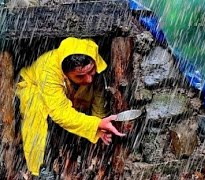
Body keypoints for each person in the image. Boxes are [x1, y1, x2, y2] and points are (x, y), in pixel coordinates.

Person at [16, 37, 125, 176]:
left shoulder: (92, 71)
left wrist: (100, 125)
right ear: (65, 73)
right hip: (35, 87)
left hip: (66, 90)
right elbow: (60, 114)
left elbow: (98, 98)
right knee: (36, 116)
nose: (89, 79)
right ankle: (42, 167)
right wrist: (95, 124)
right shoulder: (48, 72)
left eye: (91, 71)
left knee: (89, 90)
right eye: (80, 76)